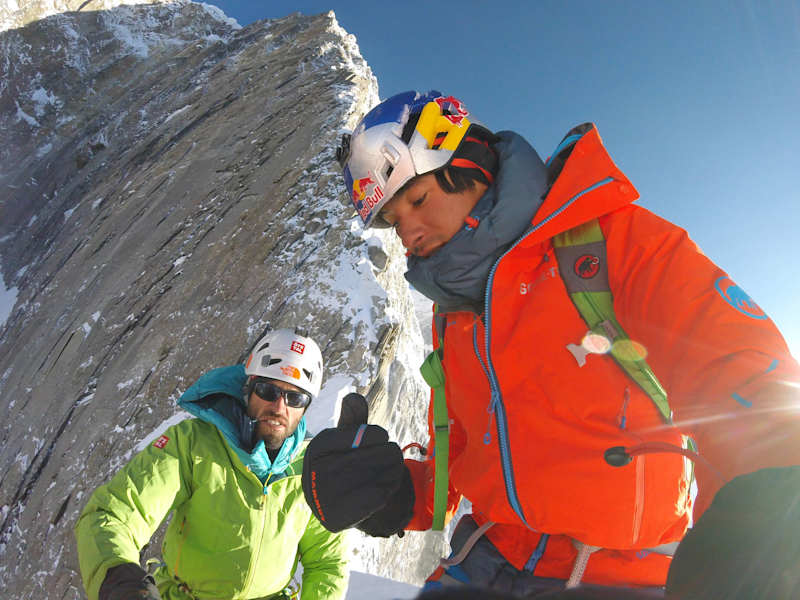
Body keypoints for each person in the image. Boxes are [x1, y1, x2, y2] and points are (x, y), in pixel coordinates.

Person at [302, 90, 800, 597]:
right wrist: (390, 493)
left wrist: (773, 499)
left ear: (473, 167)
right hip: (483, 561)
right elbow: (462, 464)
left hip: (621, 573)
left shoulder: (614, 244)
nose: (408, 231)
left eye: (418, 199)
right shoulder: (454, 314)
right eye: (392, 220)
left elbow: (743, 370)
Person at [75, 328, 348, 600]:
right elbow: (112, 514)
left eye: (295, 397)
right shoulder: (192, 445)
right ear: (248, 389)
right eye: (268, 390)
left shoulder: (313, 469)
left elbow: (327, 563)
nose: (279, 407)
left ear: (305, 408)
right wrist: (123, 584)